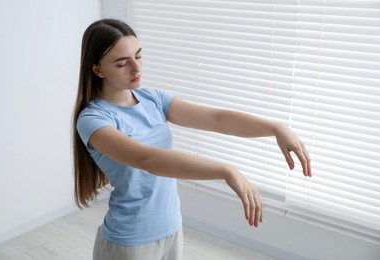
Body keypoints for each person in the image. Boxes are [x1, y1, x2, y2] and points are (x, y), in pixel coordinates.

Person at [72, 18, 312, 260]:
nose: (136, 68)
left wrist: (275, 127)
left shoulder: (153, 99)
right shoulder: (93, 119)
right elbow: (147, 160)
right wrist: (227, 170)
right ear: (98, 69)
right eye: (122, 63)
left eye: (139, 55)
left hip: (172, 229)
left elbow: (217, 119)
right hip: (129, 243)